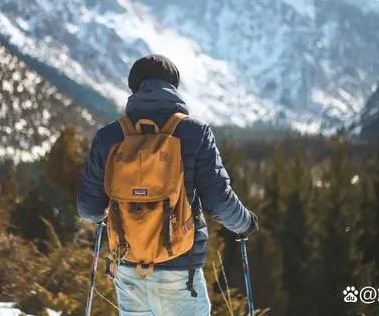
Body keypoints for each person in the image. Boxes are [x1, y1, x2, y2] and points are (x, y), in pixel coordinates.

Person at [77, 54, 258, 315]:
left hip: (129, 265)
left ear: (134, 87)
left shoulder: (109, 136)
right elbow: (219, 200)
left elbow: (87, 210)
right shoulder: (195, 132)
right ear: (174, 86)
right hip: (180, 268)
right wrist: (245, 224)